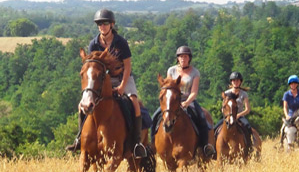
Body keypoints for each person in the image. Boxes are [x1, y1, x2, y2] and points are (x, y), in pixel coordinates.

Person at [66, 8, 147, 158]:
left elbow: (128, 66)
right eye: (99, 24)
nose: (102, 26)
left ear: (112, 24)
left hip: (124, 77)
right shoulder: (94, 44)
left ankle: (136, 143)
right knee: (81, 106)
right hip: (103, 80)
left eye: (105, 23)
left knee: (134, 102)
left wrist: (122, 86)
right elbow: (92, 68)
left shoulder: (121, 42)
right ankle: (79, 138)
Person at [151, 46, 215, 157]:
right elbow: (168, 87)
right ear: (178, 58)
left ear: (189, 58)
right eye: (181, 57)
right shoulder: (171, 70)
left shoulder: (195, 73)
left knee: (202, 118)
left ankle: (205, 146)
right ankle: (151, 146)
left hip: (188, 100)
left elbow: (194, 92)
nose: (183, 59)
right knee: (154, 117)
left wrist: (186, 102)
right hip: (172, 100)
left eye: (185, 56)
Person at [214, 72, 253, 146]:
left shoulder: (244, 94)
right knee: (215, 128)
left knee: (247, 126)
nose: (236, 82)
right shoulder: (226, 93)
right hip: (228, 116)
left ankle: (249, 146)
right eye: (234, 80)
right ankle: (213, 147)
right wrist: (227, 114)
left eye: (237, 80)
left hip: (239, 116)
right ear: (231, 82)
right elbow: (223, 107)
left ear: (240, 82)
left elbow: (247, 109)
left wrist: (238, 115)